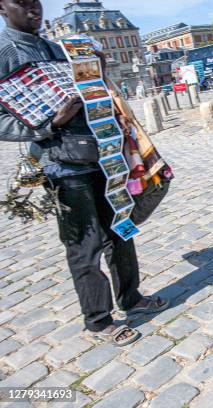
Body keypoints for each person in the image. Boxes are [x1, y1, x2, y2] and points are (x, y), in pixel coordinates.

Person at [0, 0, 168, 346]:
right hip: (62, 164)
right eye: (22, 1)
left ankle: (131, 298)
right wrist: (48, 125)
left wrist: (98, 72)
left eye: (36, 1)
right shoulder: (4, 53)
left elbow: (93, 93)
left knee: (120, 229)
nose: (33, 8)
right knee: (84, 244)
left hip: (102, 154)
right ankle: (98, 319)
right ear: (2, 7)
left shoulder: (56, 47)